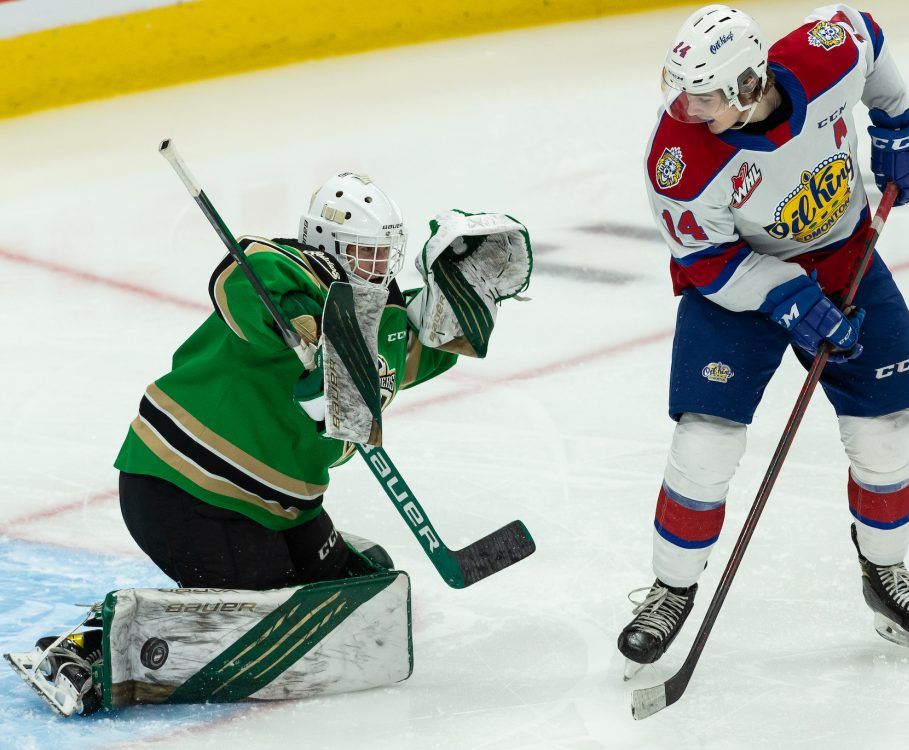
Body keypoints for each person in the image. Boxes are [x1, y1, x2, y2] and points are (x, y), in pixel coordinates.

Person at [18, 172, 531, 715]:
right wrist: (309, 330)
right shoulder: (286, 274)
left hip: (281, 507)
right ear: (327, 245)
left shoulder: (383, 323)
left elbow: (428, 344)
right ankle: (84, 647)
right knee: (264, 606)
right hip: (181, 489)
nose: (376, 270)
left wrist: (455, 302)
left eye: (384, 256)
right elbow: (242, 279)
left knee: (355, 586)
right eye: (362, 254)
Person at [618, 4, 909, 673]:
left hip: (842, 255)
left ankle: (886, 574)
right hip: (736, 288)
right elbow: (707, 263)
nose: (688, 111)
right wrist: (786, 299)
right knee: (706, 440)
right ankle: (669, 590)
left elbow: (867, 32)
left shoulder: (822, 58)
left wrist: (898, 120)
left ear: (748, 83)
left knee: (885, 429)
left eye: (706, 96)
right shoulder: (679, 160)